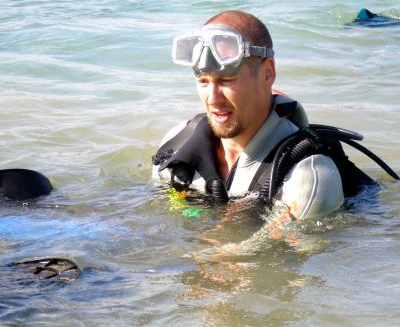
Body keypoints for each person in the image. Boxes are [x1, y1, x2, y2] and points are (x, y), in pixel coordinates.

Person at [152, 10, 376, 220]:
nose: (212, 99)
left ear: (268, 73)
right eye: (203, 81)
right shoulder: (175, 144)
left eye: (226, 80)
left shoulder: (309, 177)